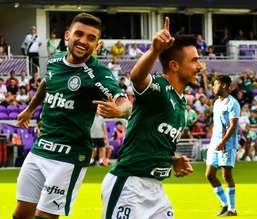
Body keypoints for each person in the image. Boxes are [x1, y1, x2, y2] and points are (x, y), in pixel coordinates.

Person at [13, 13, 131, 219]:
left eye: (91, 38)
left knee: (45, 216)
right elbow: (46, 82)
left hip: (68, 157)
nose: (84, 41)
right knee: (21, 213)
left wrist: (118, 110)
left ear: (97, 44)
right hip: (40, 149)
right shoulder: (56, 60)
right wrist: (30, 109)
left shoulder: (99, 74)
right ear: (67, 35)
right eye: (79, 34)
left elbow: (125, 104)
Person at [99, 17, 198, 219]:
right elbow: (137, 78)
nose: (200, 65)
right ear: (174, 65)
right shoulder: (160, 89)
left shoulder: (180, 102)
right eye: (194, 60)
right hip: (129, 185)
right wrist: (155, 50)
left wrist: (172, 159)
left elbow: (151, 140)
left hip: (155, 190)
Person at [205, 74, 240, 216]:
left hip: (227, 144)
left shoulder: (233, 103)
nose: (213, 87)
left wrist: (223, 142)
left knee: (227, 176)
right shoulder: (217, 103)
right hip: (215, 143)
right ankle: (225, 204)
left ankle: (232, 209)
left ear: (224, 85)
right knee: (209, 175)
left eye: (216, 84)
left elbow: (233, 125)